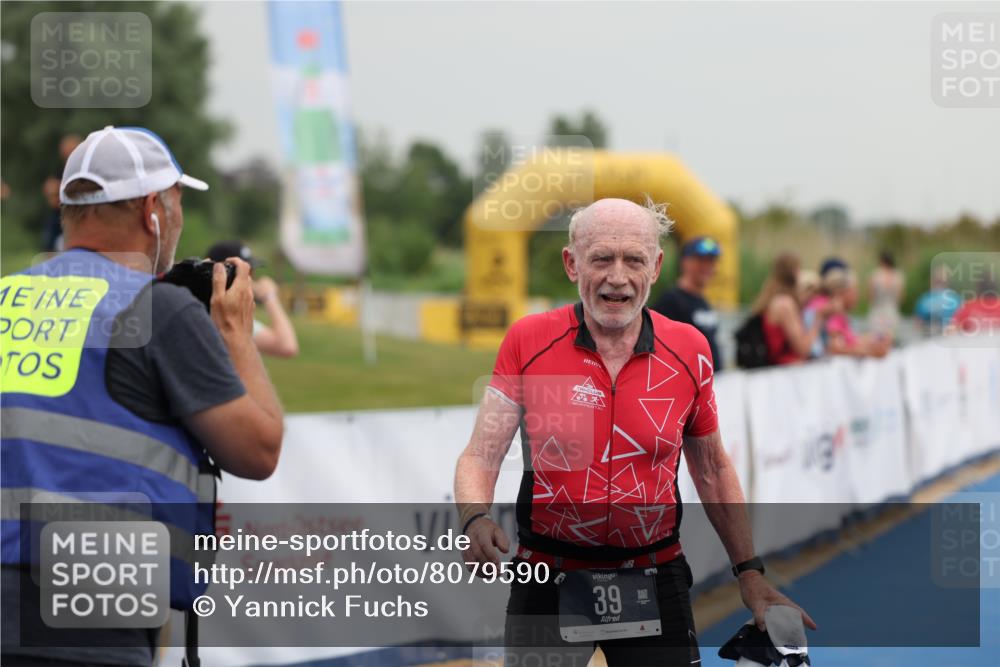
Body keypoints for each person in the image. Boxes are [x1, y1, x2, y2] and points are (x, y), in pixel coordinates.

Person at [454, 198, 815, 666]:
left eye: (634, 260)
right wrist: (474, 517)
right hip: (546, 574)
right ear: (571, 263)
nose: (617, 276)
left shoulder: (689, 348)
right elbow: (480, 456)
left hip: (654, 573)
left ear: (657, 266)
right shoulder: (529, 341)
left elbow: (712, 467)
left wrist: (749, 573)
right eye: (601, 258)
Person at [1, 126, 285, 666]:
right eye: (178, 204)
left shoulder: (5, 298)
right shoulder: (157, 309)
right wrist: (236, 335)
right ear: (154, 208)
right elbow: (258, 449)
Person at [207, 240, 299, 358]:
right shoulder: (228, 316)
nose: (250, 278)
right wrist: (270, 297)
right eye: (243, 271)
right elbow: (287, 346)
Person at [651, 235, 723, 370]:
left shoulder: (703, 302)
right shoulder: (671, 301)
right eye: (701, 260)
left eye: (711, 261)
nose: (707, 266)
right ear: (685, 262)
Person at [750, 253, 831, 365]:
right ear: (794, 272)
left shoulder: (771, 299)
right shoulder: (785, 304)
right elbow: (803, 349)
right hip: (785, 369)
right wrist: (818, 319)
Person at [805, 262, 890, 358]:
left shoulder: (833, 310)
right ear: (841, 292)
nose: (857, 296)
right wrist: (870, 351)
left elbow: (850, 340)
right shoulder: (828, 309)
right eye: (854, 290)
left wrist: (874, 341)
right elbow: (834, 347)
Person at [40, 134, 82, 252]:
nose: (67, 153)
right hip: (60, 213)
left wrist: (57, 190)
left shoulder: (82, 170)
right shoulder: (61, 169)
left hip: (77, 213)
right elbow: (49, 187)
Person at [867, 250, 904, 342]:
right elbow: (901, 297)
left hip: (878, 310)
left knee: (876, 339)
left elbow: (871, 296)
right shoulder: (898, 275)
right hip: (892, 310)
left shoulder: (875, 275)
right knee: (891, 339)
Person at [914, 267, 961, 336]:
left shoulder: (924, 299)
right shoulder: (955, 298)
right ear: (947, 282)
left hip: (928, 336)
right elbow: (960, 322)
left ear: (932, 281)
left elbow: (917, 324)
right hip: (948, 336)